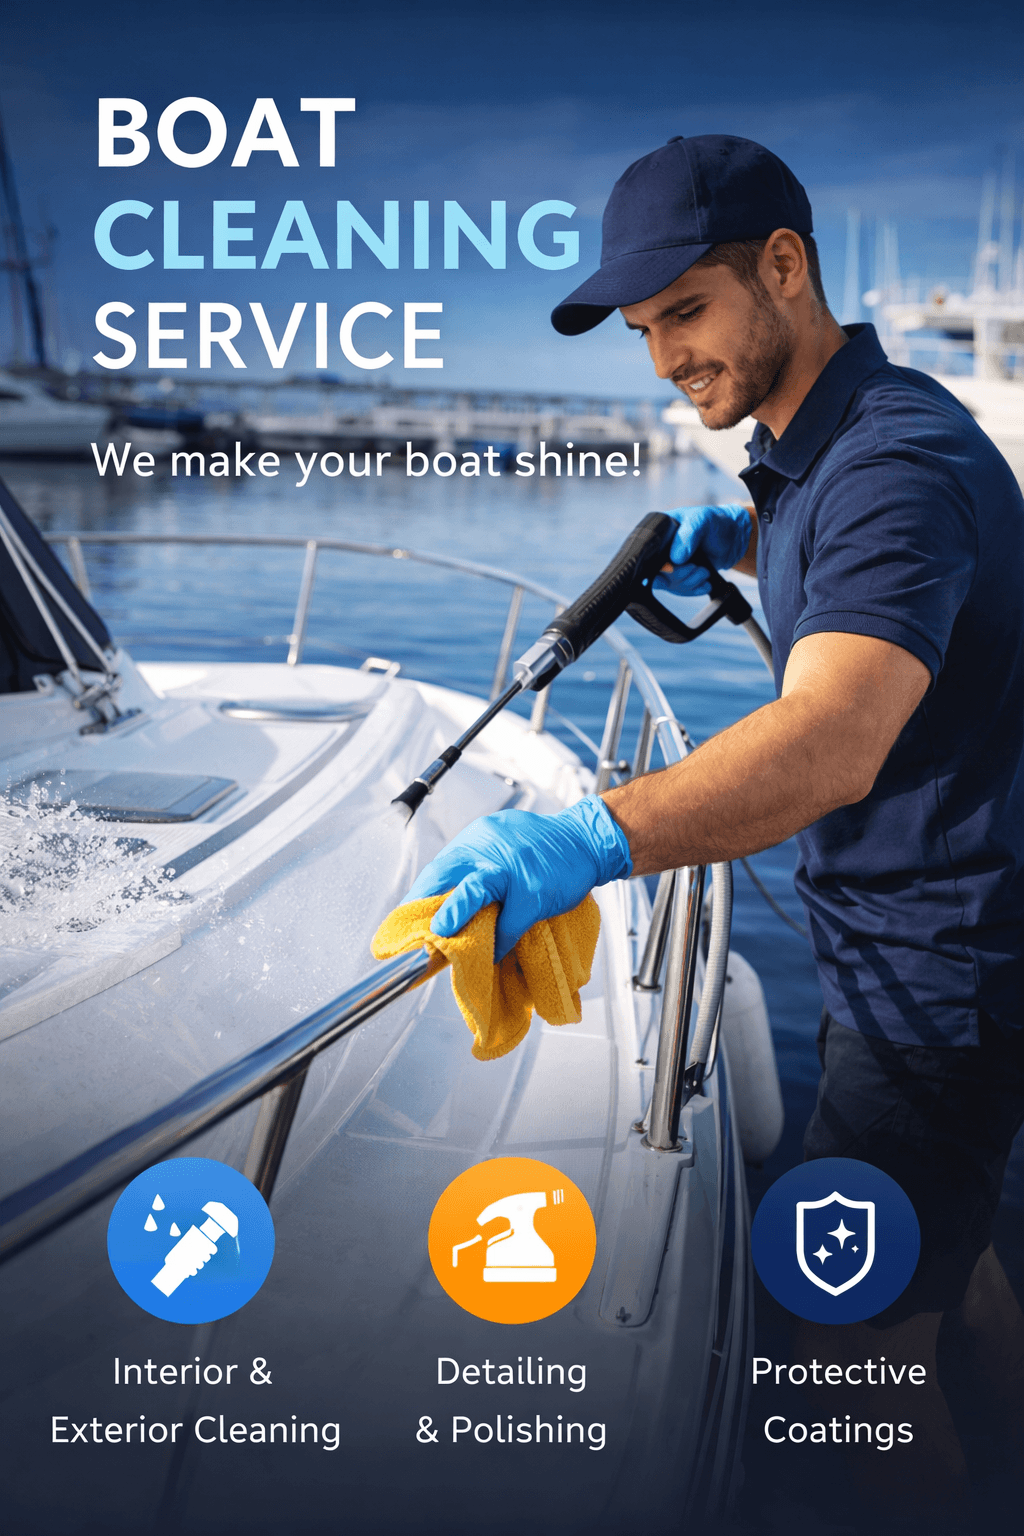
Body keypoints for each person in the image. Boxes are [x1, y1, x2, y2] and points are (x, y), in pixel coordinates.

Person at [405, 135, 1024, 1530]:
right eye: (642, 329)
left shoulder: (893, 462)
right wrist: (741, 544)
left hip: (941, 980)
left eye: (684, 311)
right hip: (897, 951)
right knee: (950, 1259)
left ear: (785, 269)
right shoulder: (818, 447)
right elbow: (856, 550)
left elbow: (831, 738)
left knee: (848, 1366)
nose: (663, 356)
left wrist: (585, 839)